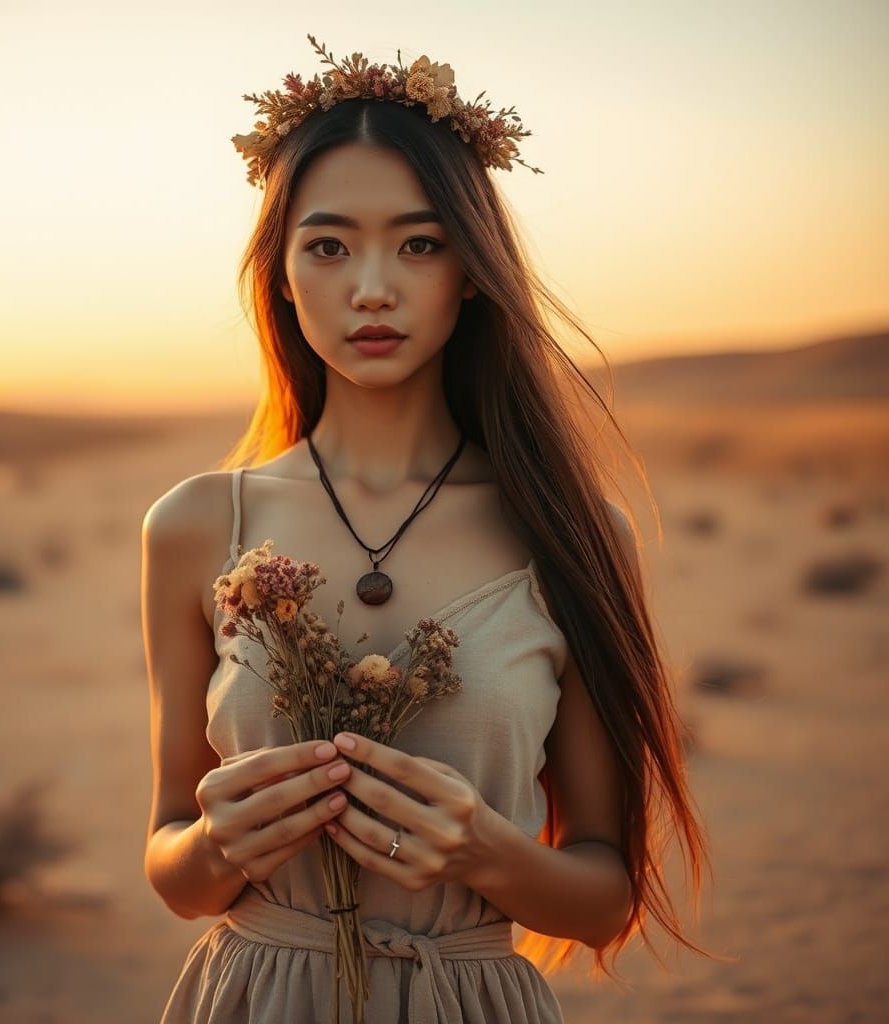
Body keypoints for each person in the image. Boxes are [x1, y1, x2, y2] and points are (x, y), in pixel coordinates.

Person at [141, 35, 715, 1023]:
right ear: (279, 273)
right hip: (256, 997)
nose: (373, 287)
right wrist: (215, 843)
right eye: (329, 245)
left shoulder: (574, 534)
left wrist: (482, 849)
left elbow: (604, 895)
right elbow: (174, 867)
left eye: (419, 242)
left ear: (472, 269)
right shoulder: (196, 522)